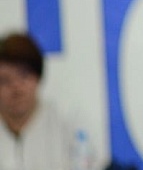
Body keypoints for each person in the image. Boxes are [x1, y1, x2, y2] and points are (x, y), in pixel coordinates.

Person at [0, 32, 102, 170]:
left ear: (37, 77)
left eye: (24, 76)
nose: (16, 88)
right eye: (5, 80)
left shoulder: (67, 122)